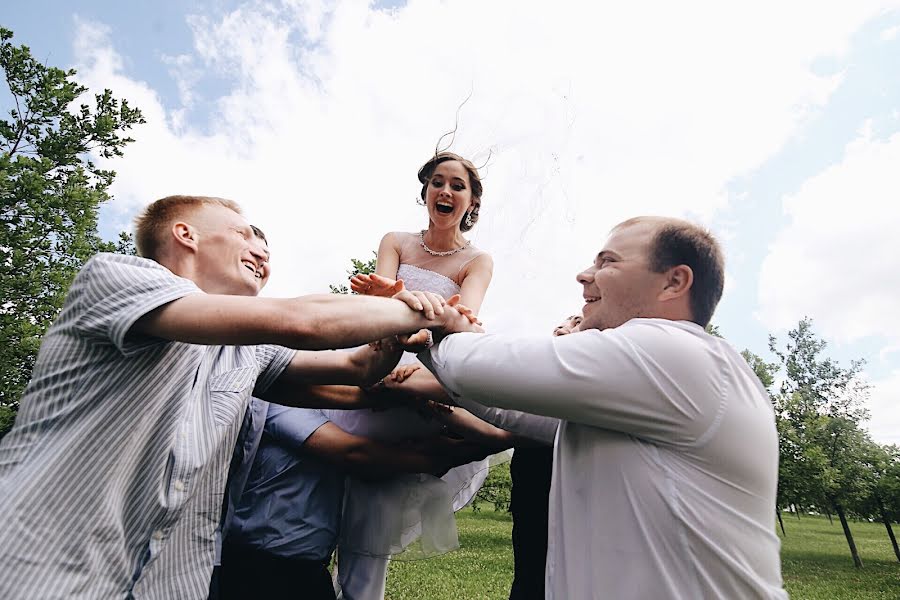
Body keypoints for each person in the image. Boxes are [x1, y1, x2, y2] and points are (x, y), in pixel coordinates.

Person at [0, 195, 478, 599]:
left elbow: (357, 368)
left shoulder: (247, 352)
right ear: (186, 235)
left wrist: (394, 339)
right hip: (42, 568)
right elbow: (303, 323)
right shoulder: (116, 278)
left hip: (167, 585)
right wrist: (415, 311)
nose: (262, 253)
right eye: (245, 234)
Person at [418, 216, 787, 599]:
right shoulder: (644, 386)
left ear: (674, 282)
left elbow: (478, 367)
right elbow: (510, 406)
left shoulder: (673, 351)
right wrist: (436, 343)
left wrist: (435, 321)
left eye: (607, 262)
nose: (584, 275)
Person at [326, 151, 496, 599]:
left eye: (458, 186)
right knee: (327, 497)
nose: (446, 191)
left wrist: (415, 324)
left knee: (371, 508)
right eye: (437, 182)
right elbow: (379, 308)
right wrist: (393, 308)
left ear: (471, 202)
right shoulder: (396, 241)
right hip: (379, 356)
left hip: (423, 373)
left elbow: (465, 319)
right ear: (425, 192)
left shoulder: (477, 261)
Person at [216, 394, 503, 600]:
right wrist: (443, 456)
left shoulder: (337, 414)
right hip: (251, 564)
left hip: (306, 567)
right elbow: (354, 454)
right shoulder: (276, 399)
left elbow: (370, 468)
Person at [508, 314, 580, 600]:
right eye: (564, 321)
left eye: (576, 322)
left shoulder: (581, 388)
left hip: (562, 499)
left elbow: (505, 430)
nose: (563, 326)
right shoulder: (538, 380)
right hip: (530, 495)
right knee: (528, 575)